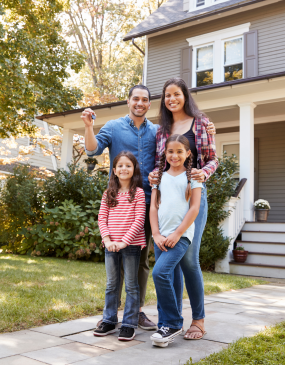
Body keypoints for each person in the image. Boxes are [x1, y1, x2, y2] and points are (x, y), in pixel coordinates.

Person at [81, 84, 215, 330]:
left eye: (145, 99)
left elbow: (198, 156)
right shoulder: (115, 127)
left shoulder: (160, 130)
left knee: (144, 261)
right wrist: (89, 127)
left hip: (159, 201)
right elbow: (92, 150)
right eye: (135, 99)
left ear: (150, 104)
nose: (140, 103)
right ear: (128, 101)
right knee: (118, 259)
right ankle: (112, 315)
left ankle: (138, 312)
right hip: (127, 203)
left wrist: (207, 138)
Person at [149, 77, 218, 340]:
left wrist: (203, 173)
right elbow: (160, 163)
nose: (172, 99)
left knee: (189, 260)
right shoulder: (161, 129)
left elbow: (213, 159)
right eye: (167, 95)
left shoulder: (201, 122)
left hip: (192, 194)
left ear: (184, 95)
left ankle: (198, 321)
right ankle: (172, 320)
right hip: (168, 197)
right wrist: (154, 177)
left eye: (176, 94)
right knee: (170, 261)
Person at [149, 134, 202, 348]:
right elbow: (153, 207)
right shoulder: (158, 177)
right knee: (167, 277)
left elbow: (195, 208)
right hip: (160, 236)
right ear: (165, 153)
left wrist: (178, 233)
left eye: (180, 151)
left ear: (188, 154)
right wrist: (156, 234)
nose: (175, 155)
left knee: (159, 272)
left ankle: (172, 323)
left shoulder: (193, 177)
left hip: (180, 236)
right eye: (170, 151)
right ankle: (165, 326)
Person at [94, 151, 146, 341]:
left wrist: (125, 240)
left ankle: (129, 324)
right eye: (120, 166)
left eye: (128, 165)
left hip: (130, 245)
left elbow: (140, 219)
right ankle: (108, 320)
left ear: (134, 170)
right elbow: (102, 217)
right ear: (114, 170)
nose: (124, 168)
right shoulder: (109, 193)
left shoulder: (138, 193)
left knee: (131, 285)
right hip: (110, 245)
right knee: (111, 284)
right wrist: (107, 240)